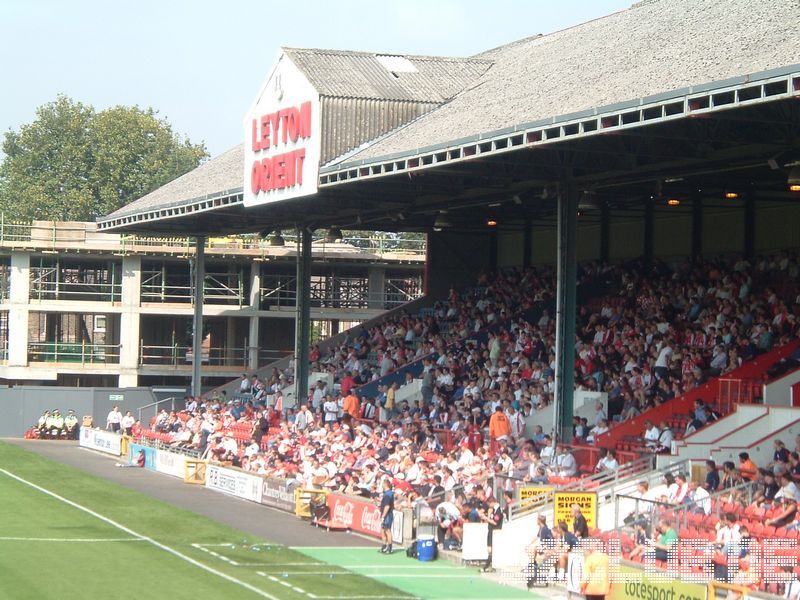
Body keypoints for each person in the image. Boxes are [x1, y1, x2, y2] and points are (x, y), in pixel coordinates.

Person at [480, 496, 504, 572]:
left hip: (495, 532)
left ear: (492, 502)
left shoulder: (498, 511)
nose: (489, 506)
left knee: (491, 550)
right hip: (490, 531)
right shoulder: (493, 510)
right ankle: (489, 566)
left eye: (489, 504)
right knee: (490, 550)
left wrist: (486, 518)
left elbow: (495, 522)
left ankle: (487, 566)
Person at [379, 479, 395, 554]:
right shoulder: (386, 494)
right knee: (382, 530)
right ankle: (384, 545)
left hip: (387, 515)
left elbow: (387, 506)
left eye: (383, 484)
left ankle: (390, 547)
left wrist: (383, 516)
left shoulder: (388, 494)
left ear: (386, 485)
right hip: (385, 514)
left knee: (387, 530)